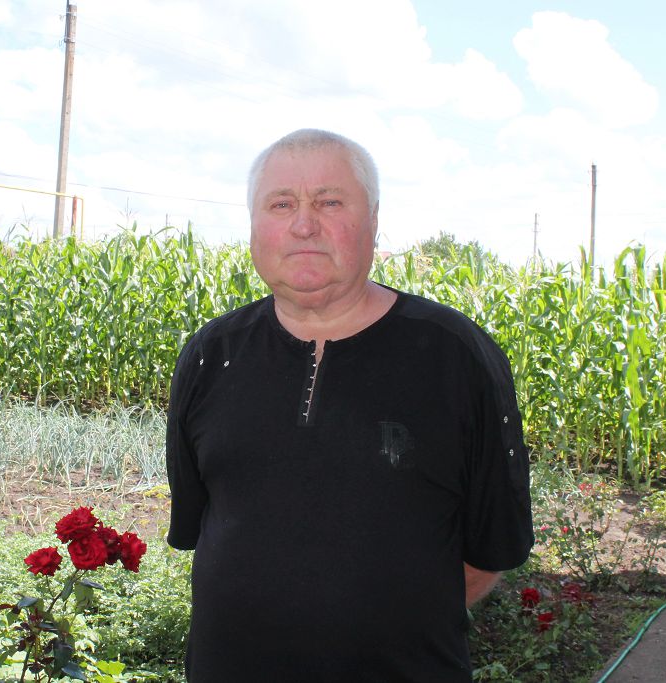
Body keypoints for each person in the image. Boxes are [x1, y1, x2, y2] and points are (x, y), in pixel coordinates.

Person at [166, 129, 534, 682]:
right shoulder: (210, 354)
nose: (304, 224)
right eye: (281, 204)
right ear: (254, 225)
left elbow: (490, 549)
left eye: (330, 202)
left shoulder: (454, 355)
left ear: (374, 219)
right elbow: (206, 526)